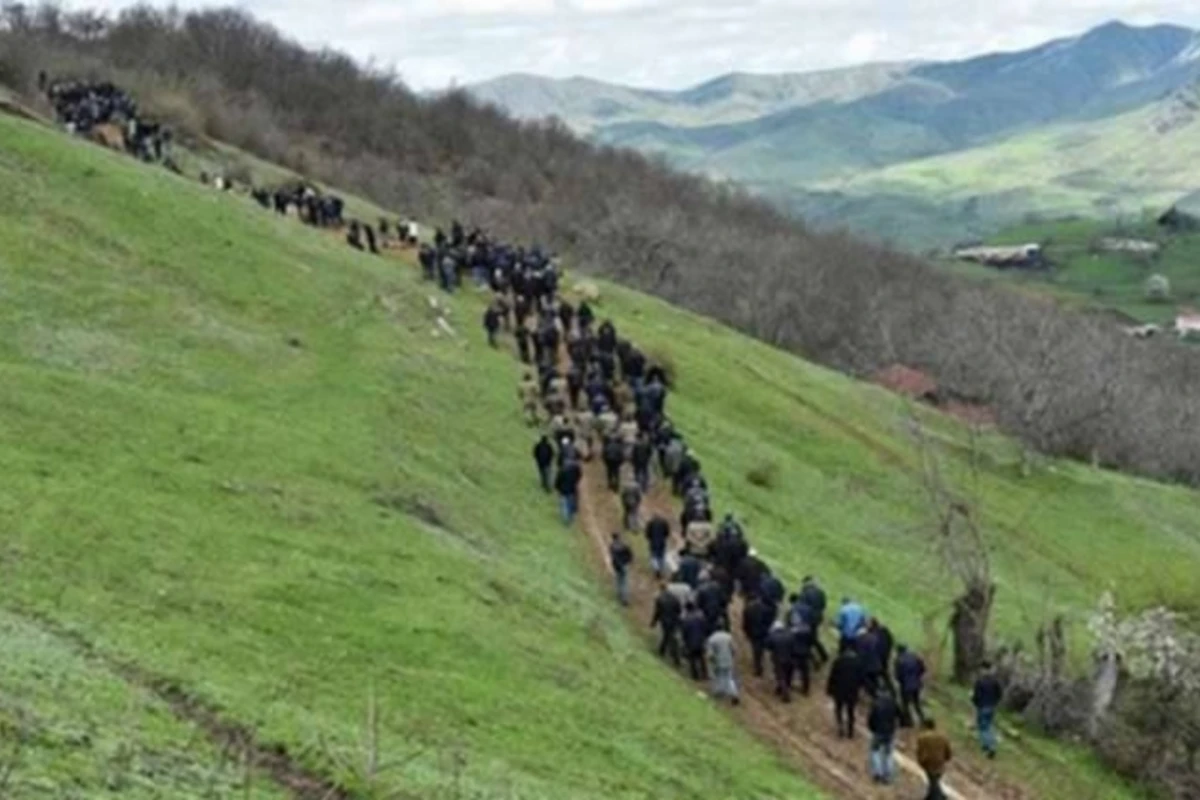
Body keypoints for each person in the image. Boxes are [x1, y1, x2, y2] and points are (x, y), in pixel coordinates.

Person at [827, 642, 864, 739]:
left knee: (838, 709)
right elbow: (861, 678)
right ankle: (850, 730)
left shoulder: (839, 661)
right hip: (852, 690)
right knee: (850, 711)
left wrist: (829, 689)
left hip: (839, 689)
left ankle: (840, 726)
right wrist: (860, 688)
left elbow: (832, 676)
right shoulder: (858, 662)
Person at [867, 688, 900, 785]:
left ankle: (877, 772)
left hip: (878, 731)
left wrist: (872, 728)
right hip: (890, 732)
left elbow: (871, 718)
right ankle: (887, 775)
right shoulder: (893, 704)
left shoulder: (876, 704)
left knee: (874, 751)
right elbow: (899, 715)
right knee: (888, 754)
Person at [972, 662, 1003, 759]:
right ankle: (985, 745)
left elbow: (976, 695)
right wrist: (995, 703)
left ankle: (990, 747)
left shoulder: (980, 681)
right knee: (989, 725)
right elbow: (999, 694)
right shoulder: (995, 681)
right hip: (992, 706)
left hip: (982, 706)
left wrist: (975, 702)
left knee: (983, 727)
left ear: (983, 670)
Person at [916, 718, 953, 800]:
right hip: (940, 762)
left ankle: (940, 797)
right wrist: (946, 758)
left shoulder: (922, 737)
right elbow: (948, 750)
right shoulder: (943, 737)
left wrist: (921, 761)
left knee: (933, 781)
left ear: (925, 726)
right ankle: (930, 796)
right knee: (934, 780)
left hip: (928, 762)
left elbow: (920, 751)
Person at [742, 593, 775, 678]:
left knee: (756, 649)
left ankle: (758, 667)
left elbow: (745, 622)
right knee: (761, 648)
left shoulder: (748, 608)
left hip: (753, 632)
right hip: (764, 631)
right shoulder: (766, 608)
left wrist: (746, 632)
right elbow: (769, 621)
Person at [705, 623, 739, 705]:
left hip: (718, 661)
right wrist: (732, 656)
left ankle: (719, 692)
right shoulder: (728, 637)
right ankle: (734, 694)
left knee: (719, 677)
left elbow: (710, 654)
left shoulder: (711, 639)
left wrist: (711, 661)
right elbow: (734, 649)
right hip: (728, 660)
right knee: (729, 678)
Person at [651, 581, 683, 667]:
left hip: (665, 621)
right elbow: (679, 610)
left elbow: (657, 612)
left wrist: (653, 622)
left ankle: (675, 658)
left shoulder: (659, 599)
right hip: (674, 620)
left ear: (660, 588)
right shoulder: (674, 597)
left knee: (669, 638)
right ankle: (664, 652)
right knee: (670, 636)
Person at [799, 576, 829, 666]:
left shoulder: (805, 593)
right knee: (813, 636)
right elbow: (823, 605)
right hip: (818, 618)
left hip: (808, 618)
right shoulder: (821, 592)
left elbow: (802, 607)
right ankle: (823, 655)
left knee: (806, 638)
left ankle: (813, 659)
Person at [895, 645, 927, 727]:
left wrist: (901, 681)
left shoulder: (898, 660)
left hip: (905, 685)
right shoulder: (915, 657)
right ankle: (922, 720)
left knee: (905, 704)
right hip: (916, 684)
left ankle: (908, 722)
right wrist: (918, 676)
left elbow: (897, 675)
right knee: (917, 704)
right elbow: (923, 669)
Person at [765, 621, 797, 703]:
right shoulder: (790, 635)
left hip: (778, 659)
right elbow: (794, 647)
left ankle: (786, 695)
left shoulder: (772, 636)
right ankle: (780, 689)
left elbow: (768, 646)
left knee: (780, 677)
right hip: (790, 659)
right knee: (787, 675)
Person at [681, 603, 709, 681]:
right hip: (700, 640)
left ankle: (695, 676)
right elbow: (705, 628)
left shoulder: (686, 619)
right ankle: (705, 674)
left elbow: (684, 632)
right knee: (701, 658)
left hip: (691, 642)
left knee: (692, 659)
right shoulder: (701, 617)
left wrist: (685, 642)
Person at [609, 533, 634, 606]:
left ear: (613, 538)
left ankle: (619, 594)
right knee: (624, 582)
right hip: (624, 565)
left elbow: (613, 557)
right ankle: (625, 598)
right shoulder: (624, 545)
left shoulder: (612, 547)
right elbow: (630, 555)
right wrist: (628, 561)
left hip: (617, 566)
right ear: (619, 537)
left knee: (618, 580)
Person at [555, 460, 582, 525]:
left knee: (564, 506)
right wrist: (576, 482)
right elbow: (579, 475)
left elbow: (558, 480)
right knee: (571, 505)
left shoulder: (562, 470)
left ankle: (566, 521)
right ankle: (570, 519)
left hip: (563, 491)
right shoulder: (576, 468)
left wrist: (557, 487)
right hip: (572, 490)